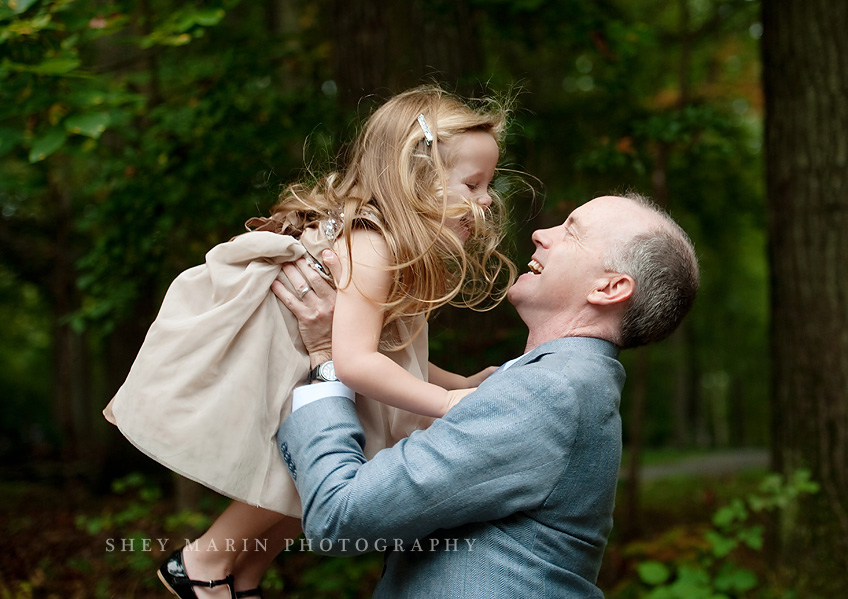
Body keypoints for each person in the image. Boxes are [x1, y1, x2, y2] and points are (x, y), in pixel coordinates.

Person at [103, 85, 518, 599]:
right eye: (473, 184)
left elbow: (391, 357)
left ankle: (245, 575)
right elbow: (357, 362)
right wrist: (449, 402)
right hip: (282, 355)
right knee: (319, 454)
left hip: (313, 360)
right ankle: (203, 559)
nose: (485, 201)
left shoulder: (392, 248)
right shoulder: (372, 243)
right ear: (418, 179)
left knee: (328, 466)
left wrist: (463, 382)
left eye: (488, 185)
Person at [272, 193, 700, 598]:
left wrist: (328, 363)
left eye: (572, 230)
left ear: (608, 289)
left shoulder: (549, 392)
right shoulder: (555, 383)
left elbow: (341, 517)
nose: (541, 234)